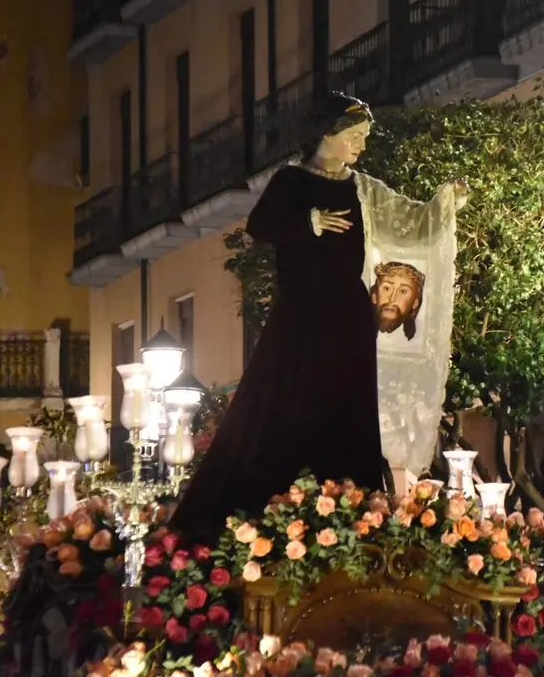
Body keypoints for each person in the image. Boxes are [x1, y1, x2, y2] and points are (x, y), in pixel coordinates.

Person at [169, 92, 466, 542]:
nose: (361, 145)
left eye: (363, 137)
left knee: (347, 405)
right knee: (286, 402)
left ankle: (351, 512)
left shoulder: (363, 188)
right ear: (328, 135)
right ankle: (267, 508)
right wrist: (308, 222)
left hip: (349, 314)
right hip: (301, 313)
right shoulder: (292, 181)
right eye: (354, 136)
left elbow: (409, 221)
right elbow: (260, 226)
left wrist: (443, 207)